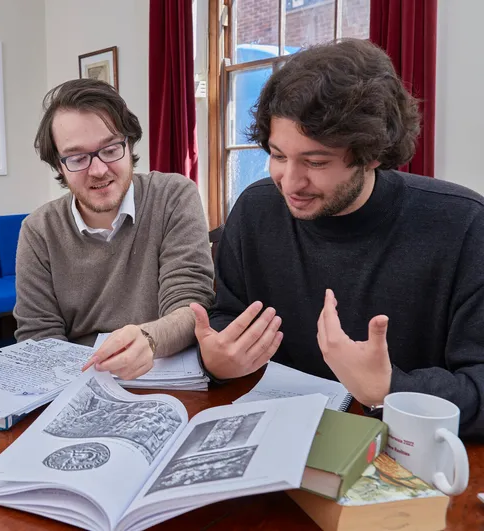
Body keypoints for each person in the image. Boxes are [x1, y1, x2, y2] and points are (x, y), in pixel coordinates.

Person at [195, 38, 484, 438]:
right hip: (275, 440)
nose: (290, 183)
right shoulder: (256, 210)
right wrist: (217, 362)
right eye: (278, 155)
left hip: (408, 456)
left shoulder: (464, 225)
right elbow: (229, 317)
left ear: (373, 154)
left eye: (315, 162)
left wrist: (389, 389)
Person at [15, 78, 214, 381]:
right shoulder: (39, 230)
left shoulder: (173, 196)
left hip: (168, 373)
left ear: (129, 143)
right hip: (78, 380)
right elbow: (38, 337)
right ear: (59, 165)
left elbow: (191, 307)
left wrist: (148, 339)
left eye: (110, 149)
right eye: (78, 157)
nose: (98, 170)